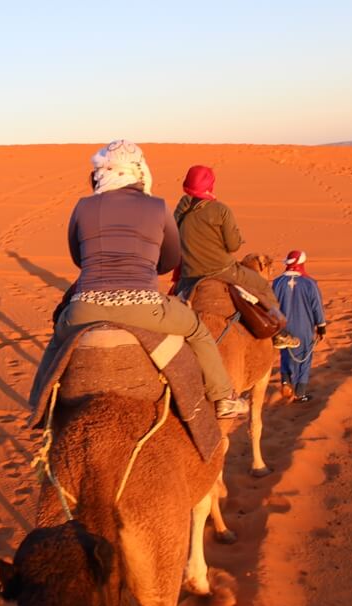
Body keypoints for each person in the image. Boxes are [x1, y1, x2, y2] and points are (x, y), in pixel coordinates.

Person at [31, 140, 248, 419]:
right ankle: (223, 397)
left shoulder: (83, 206)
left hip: (86, 307)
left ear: (100, 172)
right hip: (145, 307)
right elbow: (170, 260)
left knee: (58, 337)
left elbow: (78, 258)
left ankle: (38, 402)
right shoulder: (158, 207)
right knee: (197, 331)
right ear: (140, 172)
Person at [172, 165, 300, 350]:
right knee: (262, 286)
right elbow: (233, 246)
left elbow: (172, 235)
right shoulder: (220, 210)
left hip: (189, 276)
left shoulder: (181, 209)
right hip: (223, 270)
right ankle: (278, 333)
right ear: (210, 185)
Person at [272, 250, 326, 402]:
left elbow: (271, 305)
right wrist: (321, 326)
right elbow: (317, 306)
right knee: (304, 358)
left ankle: (285, 382)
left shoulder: (277, 282)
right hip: (304, 326)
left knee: (285, 355)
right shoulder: (309, 283)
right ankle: (300, 394)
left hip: (282, 327)